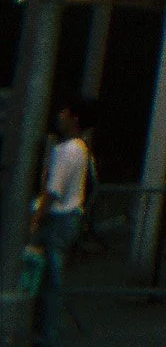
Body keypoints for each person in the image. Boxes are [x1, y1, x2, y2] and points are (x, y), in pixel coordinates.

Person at [30, 102, 91, 347]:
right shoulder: (80, 149)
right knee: (49, 280)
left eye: (64, 112)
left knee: (48, 282)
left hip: (58, 218)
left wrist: (36, 218)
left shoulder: (68, 150)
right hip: (68, 217)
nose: (59, 116)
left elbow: (54, 190)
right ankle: (45, 334)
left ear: (74, 118)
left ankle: (45, 336)